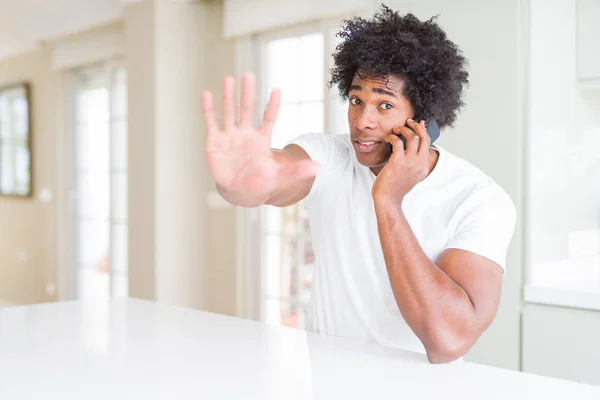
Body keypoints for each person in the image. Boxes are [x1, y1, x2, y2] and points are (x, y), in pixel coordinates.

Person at [201, 5, 516, 364]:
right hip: (328, 382)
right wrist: (240, 182)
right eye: (356, 99)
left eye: (384, 105)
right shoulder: (330, 156)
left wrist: (388, 201)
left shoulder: (480, 200)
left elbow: (448, 339)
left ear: (423, 118)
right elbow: (269, 178)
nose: (362, 120)